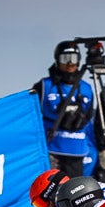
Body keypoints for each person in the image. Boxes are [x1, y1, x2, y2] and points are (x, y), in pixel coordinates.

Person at [31, 41, 95, 178]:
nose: (70, 63)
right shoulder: (45, 86)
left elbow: (89, 116)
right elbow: (30, 113)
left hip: (76, 150)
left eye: (73, 58)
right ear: (57, 60)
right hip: (51, 149)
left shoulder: (86, 88)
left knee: (74, 192)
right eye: (65, 59)